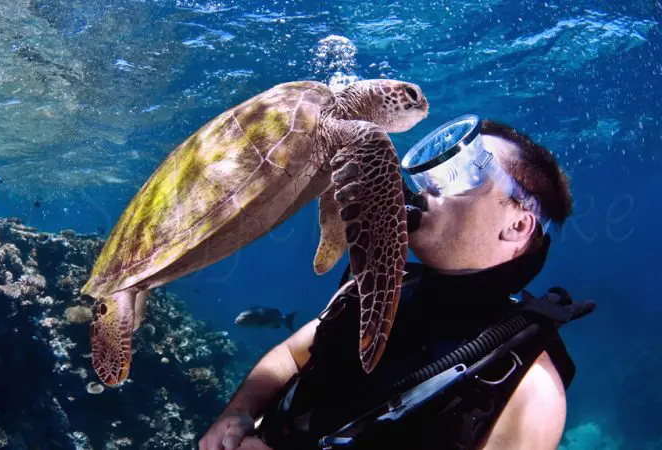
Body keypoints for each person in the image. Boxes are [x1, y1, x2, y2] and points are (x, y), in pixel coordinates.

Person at [199, 115, 588, 450]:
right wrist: (238, 412)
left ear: (517, 226)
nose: (427, 187)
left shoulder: (530, 390)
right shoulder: (382, 288)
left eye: (466, 172)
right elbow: (291, 355)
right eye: (432, 173)